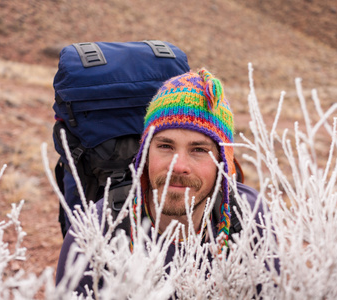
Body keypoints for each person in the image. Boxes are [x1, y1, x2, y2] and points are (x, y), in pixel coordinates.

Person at [55, 69, 274, 295]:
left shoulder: (249, 217)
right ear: (145, 154)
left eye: (199, 149)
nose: (178, 166)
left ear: (223, 162)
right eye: (165, 146)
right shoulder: (96, 230)